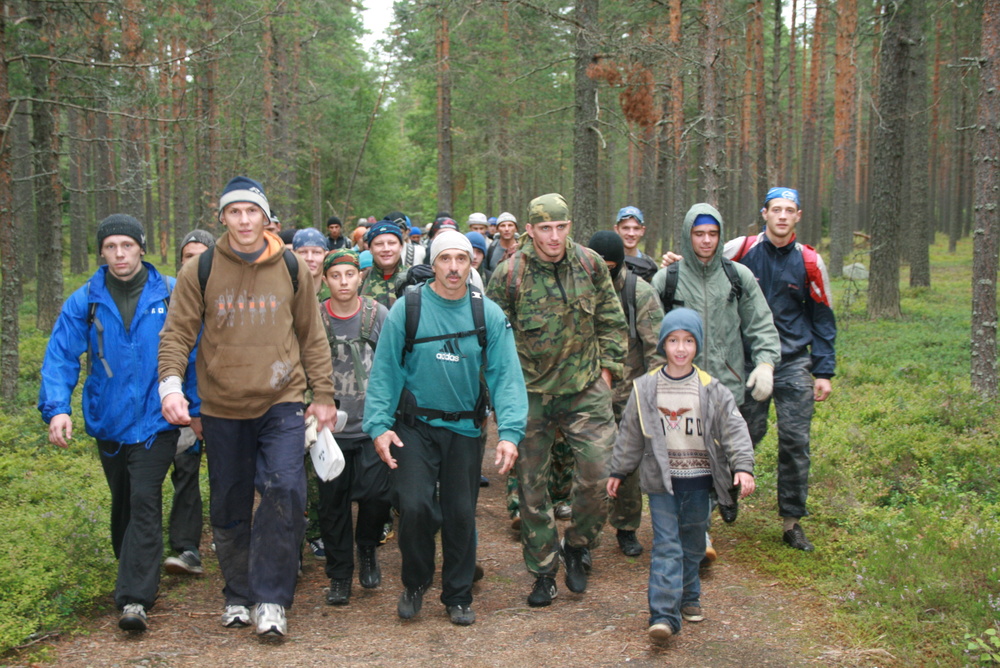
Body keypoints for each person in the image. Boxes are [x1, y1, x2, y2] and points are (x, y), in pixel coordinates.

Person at [158, 176, 337, 638]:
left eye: (251, 211)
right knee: (230, 503)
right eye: (234, 212)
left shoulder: (292, 267)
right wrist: (171, 387)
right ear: (223, 218)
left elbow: (311, 335)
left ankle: (273, 599)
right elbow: (177, 333)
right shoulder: (200, 270)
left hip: (281, 401)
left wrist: (322, 395)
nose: (243, 220)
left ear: (265, 218)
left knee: (286, 492)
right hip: (221, 407)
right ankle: (238, 594)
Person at [39, 214, 199, 632]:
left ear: (141, 248)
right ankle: (132, 565)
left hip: (157, 418)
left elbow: (195, 350)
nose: (119, 254)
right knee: (125, 504)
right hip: (108, 420)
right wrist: (57, 407)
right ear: (102, 252)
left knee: (145, 500)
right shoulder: (86, 300)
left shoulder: (170, 291)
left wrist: (195, 408)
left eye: (126, 245)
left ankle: (134, 600)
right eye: (110, 247)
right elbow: (60, 355)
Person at [364, 230, 527, 626]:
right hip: (414, 427)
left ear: (471, 263)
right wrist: (379, 426)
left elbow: (506, 376)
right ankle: (415, 582)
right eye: (445, 259)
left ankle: (457, 594)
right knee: (416, 506)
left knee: (459, 513)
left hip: (465, 430)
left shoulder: (485, 313)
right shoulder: (409, 309)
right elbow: (385, 371)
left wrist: (510, 433)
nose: (454, 267)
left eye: (461, 259)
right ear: (432, 263)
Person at [486, 193, 626, 607]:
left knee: (599, 474)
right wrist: (502, 394)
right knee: (532, 490)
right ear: (529, 230)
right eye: (544, 228)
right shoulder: (509, 274)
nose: (553, 236)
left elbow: (612, 320)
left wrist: (607, 372)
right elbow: (492, 339)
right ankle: (544, 569)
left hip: (585, 390)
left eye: (560, 228)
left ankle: (579, 546)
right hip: (530, 396)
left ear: (570, 227)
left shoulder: (590, 263)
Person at [608, 308, 755, 642]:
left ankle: (690, 596)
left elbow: (734, 430)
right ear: (663, 345)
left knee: (691, 545)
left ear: (697, 346)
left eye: (688, 341)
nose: (680, 348)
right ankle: (663, 616)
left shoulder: (712, 389)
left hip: (700, 483)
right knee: (666, 545)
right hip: (662, 482)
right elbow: (630, 433)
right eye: (673, 340)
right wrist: (618, 469)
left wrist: (743, 466)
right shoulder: (645, 388)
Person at [650, 203, 780, 562]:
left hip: (727, 387)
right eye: (698, 233)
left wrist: (766, 363)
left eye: (712, 234)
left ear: (721, 235)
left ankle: (717, 502)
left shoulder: (739, 277)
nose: (706, 240)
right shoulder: (667, 279)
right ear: (687, 235)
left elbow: (760, 324)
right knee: (689, 460)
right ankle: (699, 532)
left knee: (720, 456)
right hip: (680, 388)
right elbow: (649, 332)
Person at [722, 187, 836, 552]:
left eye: (790, 210)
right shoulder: (741, 249)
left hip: (793, 363)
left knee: (795, 442)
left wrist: (824, 371)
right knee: (744, 434)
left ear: (798, 216)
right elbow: (703, 266)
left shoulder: (810, 262)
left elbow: (823, 317)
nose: (783, 216)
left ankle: (791, 522)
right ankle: (729, 492)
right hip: (747, 361)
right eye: (776, 210)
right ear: (765, 214)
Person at [316, 249, 393, 605]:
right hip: (330, 431)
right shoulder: (315, 317)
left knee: (377, 496)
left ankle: (367, 547)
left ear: (360, 276)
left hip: (372, 426)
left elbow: (395, 361)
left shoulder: (378, 315)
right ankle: (340, 575)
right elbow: (302, 361)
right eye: (336, 276)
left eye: (350, 274)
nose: (343, 282)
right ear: (325, 279)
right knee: (332, 505)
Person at [587, 231, 666, 557]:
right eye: (598, 267)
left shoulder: (639, 293)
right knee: (588, 467)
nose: (604, 274)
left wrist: (650, 394)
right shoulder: (579, 288)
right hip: (585, 391)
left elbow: (657, 348)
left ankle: (626, 526)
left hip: (628, 391)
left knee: (628, 464)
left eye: (611, 267)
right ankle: (586, 533)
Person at [162, 230, 216, 577]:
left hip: (218, 403)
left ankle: (228, 535)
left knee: (228, 474)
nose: (192, 262)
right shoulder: (165, 298)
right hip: (179, 405)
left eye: (201, 255)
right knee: (184, 472)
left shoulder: (225, 299)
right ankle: (186, 547)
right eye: (187, 255)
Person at [360, 219, 408, 308]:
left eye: (392, 243)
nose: (386, 249)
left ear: (401, 246)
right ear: (370, 249)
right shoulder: (360, 281)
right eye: (379, 244)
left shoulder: (413, 278)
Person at [614, 206, 657, 281]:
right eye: (626, 228)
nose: (631, 233)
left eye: (636, 228)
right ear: (617, 229)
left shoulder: (650, 265)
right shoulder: (609, 263)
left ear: (642, 231)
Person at [293, 227, 331, 300]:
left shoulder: (335, 292)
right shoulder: (287, 291)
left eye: (316, 252)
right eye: (303, 252)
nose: (309, 258)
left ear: (325, 255)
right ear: (293, 255)